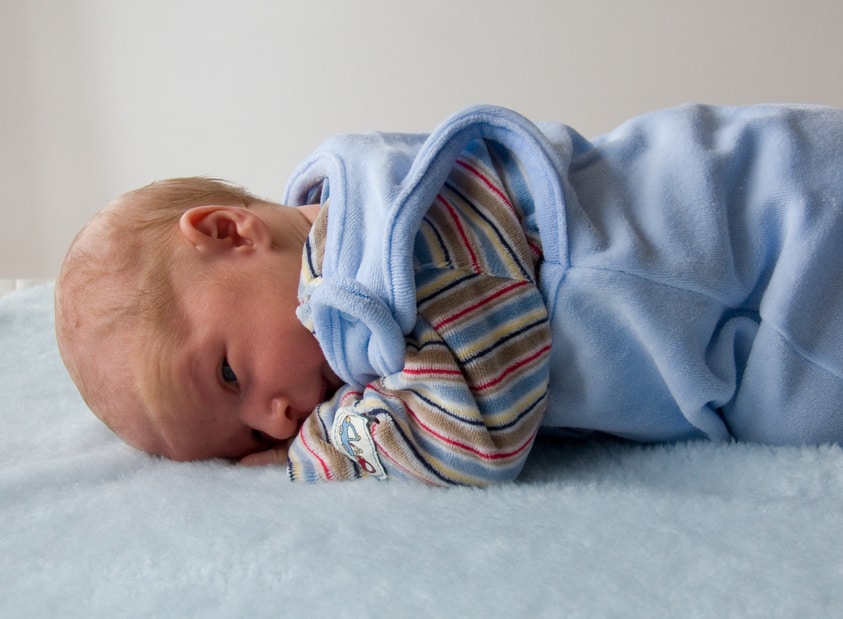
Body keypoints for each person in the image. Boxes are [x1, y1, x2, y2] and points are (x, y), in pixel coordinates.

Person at [56, 103, 843, 486]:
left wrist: (318, 451)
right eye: (239, 442)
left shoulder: (387, 252)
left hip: (775, 247)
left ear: (231, 233)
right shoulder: (366, 216)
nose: (274, 418)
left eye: (230, 374)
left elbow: (478, 430)